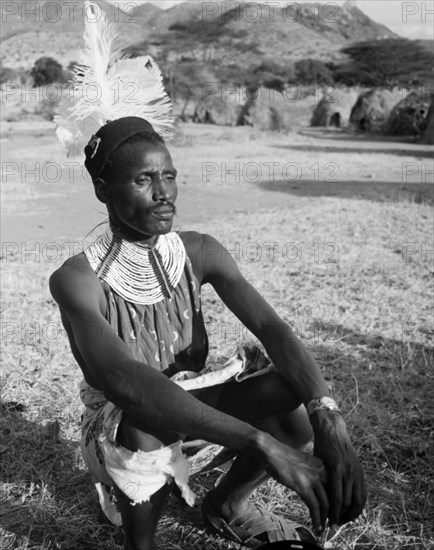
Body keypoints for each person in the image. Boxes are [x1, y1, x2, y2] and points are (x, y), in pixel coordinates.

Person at [49, 116, 366, 550]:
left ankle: (227, 505)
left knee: (287, 395)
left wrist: (328, 418)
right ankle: (139, 543)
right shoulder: (77, 278)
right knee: (144, 427)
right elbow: (124, 382)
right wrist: (261, 444)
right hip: (122, 432)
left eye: (169, 176)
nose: (163, 193)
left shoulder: (199, 250)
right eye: (143, 179)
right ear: (104, 190)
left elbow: (271, 328)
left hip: (193, 407)